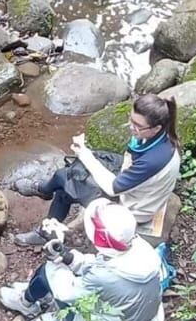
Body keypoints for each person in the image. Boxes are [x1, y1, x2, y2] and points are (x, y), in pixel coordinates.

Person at [15, 92, 181, 248]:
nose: (131, 127)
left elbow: (113, 188)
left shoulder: (153, 160)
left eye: (137, 126)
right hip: (137, 185)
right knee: (74, 174)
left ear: (156, 128)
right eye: (131, 120)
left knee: (64, 182)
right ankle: (45, 190)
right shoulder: (164, 137)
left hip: (133, 207)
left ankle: (45, 213)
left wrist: (85, 154)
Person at [0, 199, 165, 321]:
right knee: (64, 271)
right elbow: (107, 264)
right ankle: (32, 294)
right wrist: (68, 257)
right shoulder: (141, 248)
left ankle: (25, 303)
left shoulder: (103, 276)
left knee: (46, 272)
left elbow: (65, 292)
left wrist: (53, 256)